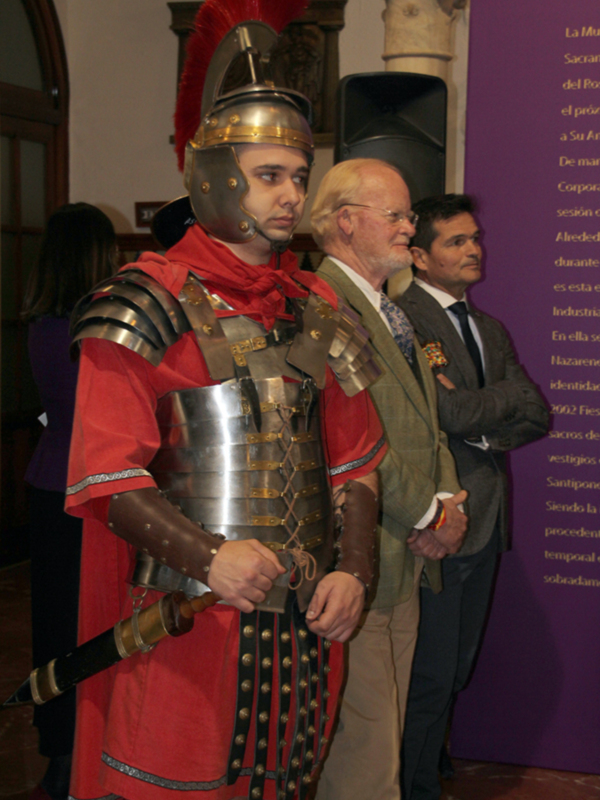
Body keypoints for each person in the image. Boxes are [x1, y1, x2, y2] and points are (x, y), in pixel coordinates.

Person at [64, 3, 386, 800]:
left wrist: (354, 569)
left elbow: (356, 463)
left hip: (306, 618)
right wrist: (211, 557)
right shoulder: (142, 305)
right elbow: (105, 477)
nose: (290, 195)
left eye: (299, 177)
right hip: (187, 615)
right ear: (213, 175)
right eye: (270, 175)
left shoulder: (315, 308)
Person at [308, 158, 468, 800]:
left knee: (388, 738)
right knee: (363, 753)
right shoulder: (322, 306)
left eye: (409, 215)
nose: (410, 227)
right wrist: (430, 515)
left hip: (404, 555)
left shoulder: (389, 307)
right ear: (347, 221)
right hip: (360, 554)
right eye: (397, 215)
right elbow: (348, 440)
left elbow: (427, 427)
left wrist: (447, 502)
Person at [398, 194, 549, 800]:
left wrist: (482, 422)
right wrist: (491, 409)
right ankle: (411, 787)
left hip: (487, 521)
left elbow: (537, 412)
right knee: (430, 673)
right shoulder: (406, 318)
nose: (473, 249)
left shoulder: (486, 326)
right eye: (456, 241)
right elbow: (446, 410)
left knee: (456, 669)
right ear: (419, 256)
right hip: (439, 521)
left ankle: (430, 764)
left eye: (475, 238)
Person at [21, 203, 117, 800]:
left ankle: (59, 753)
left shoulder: (41, 326)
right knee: (96, 626)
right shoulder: (97, 330)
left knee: (52, 627)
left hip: (46, 482)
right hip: (92, 490)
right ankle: (88, 755)